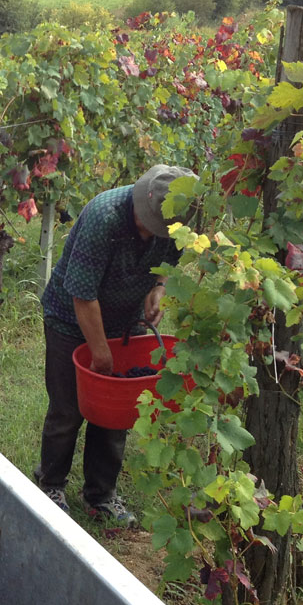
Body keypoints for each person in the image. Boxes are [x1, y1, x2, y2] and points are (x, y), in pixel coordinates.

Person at [34, 164, 196, 526]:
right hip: (70, 316)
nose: (150, 231)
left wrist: (158, 289)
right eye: (147, 223)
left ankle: (101, 495)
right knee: (68, 407)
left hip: (126, 320)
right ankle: (51, 484)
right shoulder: (103, 216)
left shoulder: (179, 222)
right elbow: (82, 295)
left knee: (116, 410)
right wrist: (99, 351)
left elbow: (167, 265)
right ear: (141, 201)